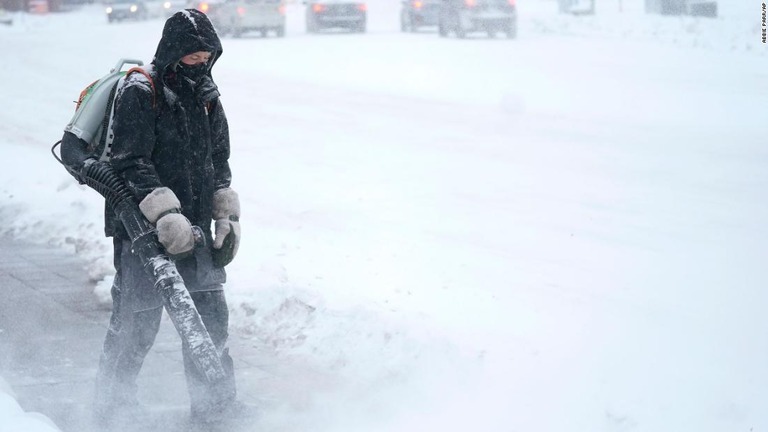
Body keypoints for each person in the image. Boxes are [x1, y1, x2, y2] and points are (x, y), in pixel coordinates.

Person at [93, 9, 242, 426]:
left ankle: (215, 411)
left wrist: (225, 214)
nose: (199, 62)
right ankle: (110, 410)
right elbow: (129, 161)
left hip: (195, 228)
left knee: (211, 321)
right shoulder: (141, 91)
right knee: (136, 325)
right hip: (142, 230)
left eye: (206, 56)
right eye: (191, 55)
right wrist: (165, 213)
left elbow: (219, 159)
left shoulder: (208, 96)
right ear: (173, 51)